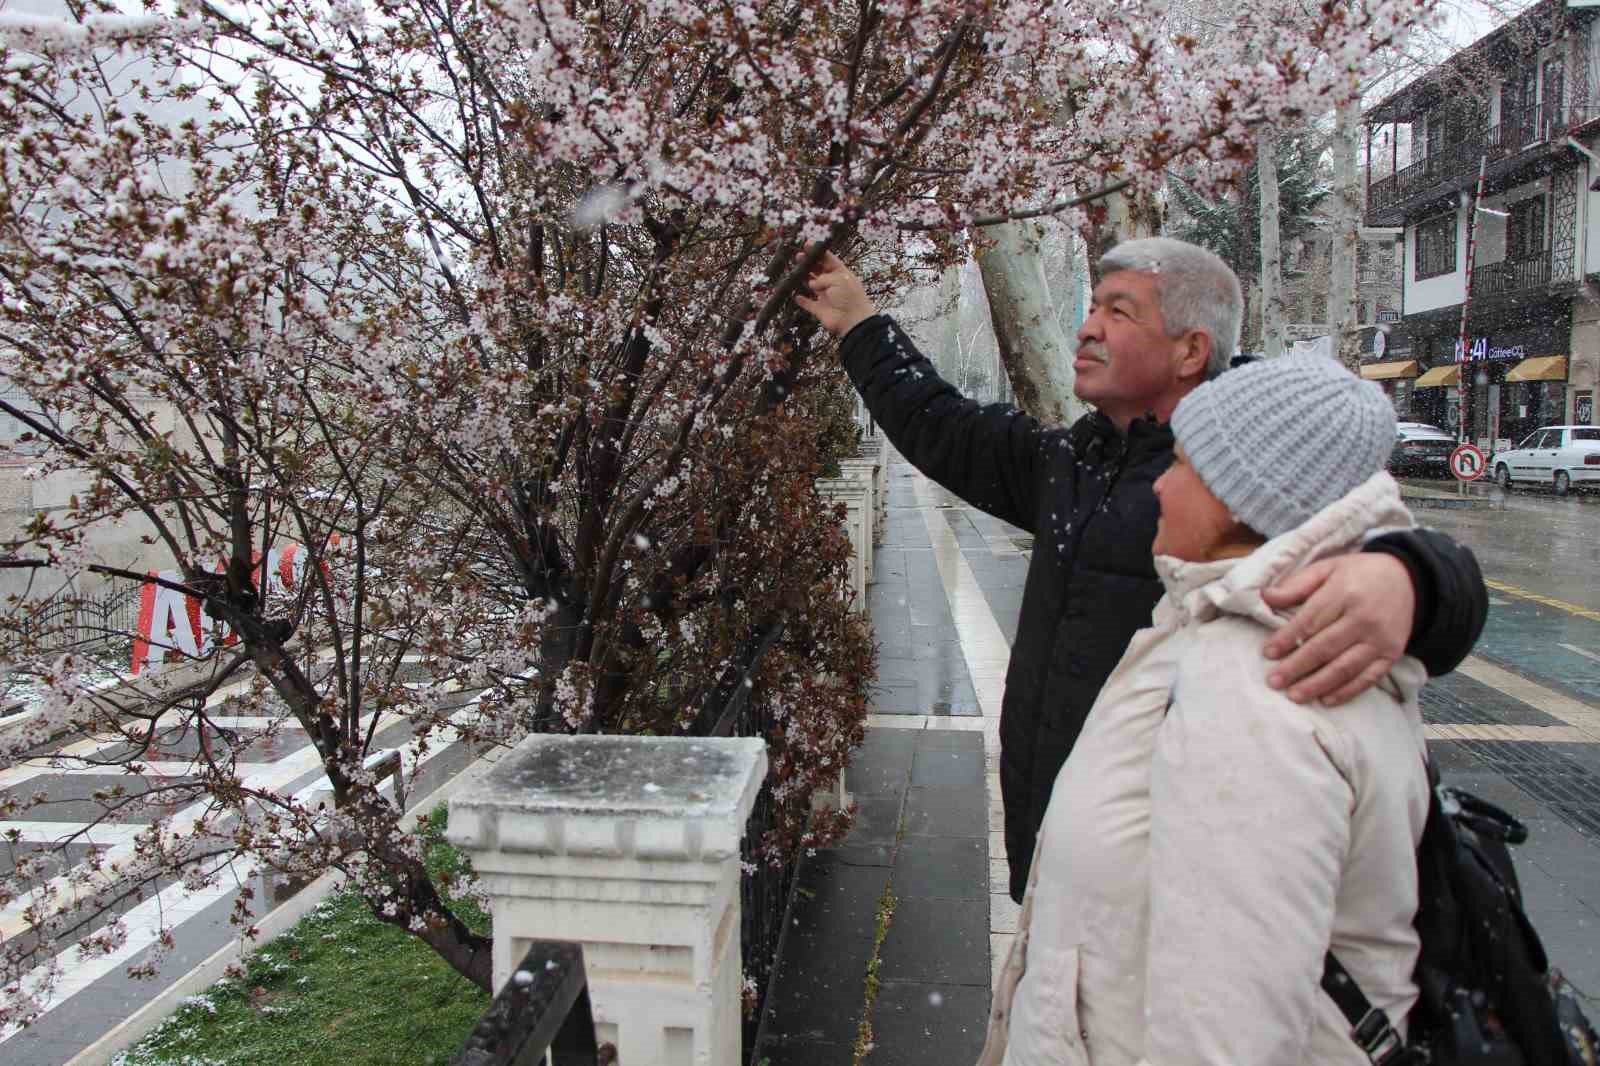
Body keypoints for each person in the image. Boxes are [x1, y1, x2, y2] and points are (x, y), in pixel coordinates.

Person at [795, 238, 1486, 902]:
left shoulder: (1242, 478)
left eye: (1118, 312)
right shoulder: (1076, 463)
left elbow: (1399, 543)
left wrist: (1409, 579)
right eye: (1092, 307)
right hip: (1061, 854)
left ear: (1192, 350)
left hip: (1172, 888)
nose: (1088, 329)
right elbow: (945, 427)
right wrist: (860, 323)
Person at [980, 354, 1429, 1065]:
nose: (1160, 483)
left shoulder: (1257, 689)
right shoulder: (1233, 627)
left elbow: (1223, 1033)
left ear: (1242, 499)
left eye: (1184, 465)